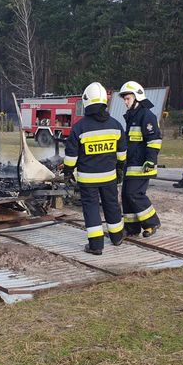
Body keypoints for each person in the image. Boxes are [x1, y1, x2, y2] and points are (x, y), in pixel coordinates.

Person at [63, 82, 127, 254]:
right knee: (112, 205)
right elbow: (122, 154)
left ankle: (96, 245)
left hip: (87, 178)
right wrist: (120, 170)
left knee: (91, 208)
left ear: (87, 102)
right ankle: (117, 237)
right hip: (109, 177)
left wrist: (68, 173)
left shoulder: (79, 128)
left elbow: (71, 158)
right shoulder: (116, 125)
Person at [119, 81, 162, 237]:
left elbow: (154, 140)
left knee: (134, 194)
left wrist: (151, 161)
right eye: (124, 99)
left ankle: (152, 222)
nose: (125, 102)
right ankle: (131, 228)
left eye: (128, 98)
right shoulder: (132, 116)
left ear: (137, 98)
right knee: (126, 195)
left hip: (143, 165)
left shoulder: (146, 115)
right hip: (131, 164)